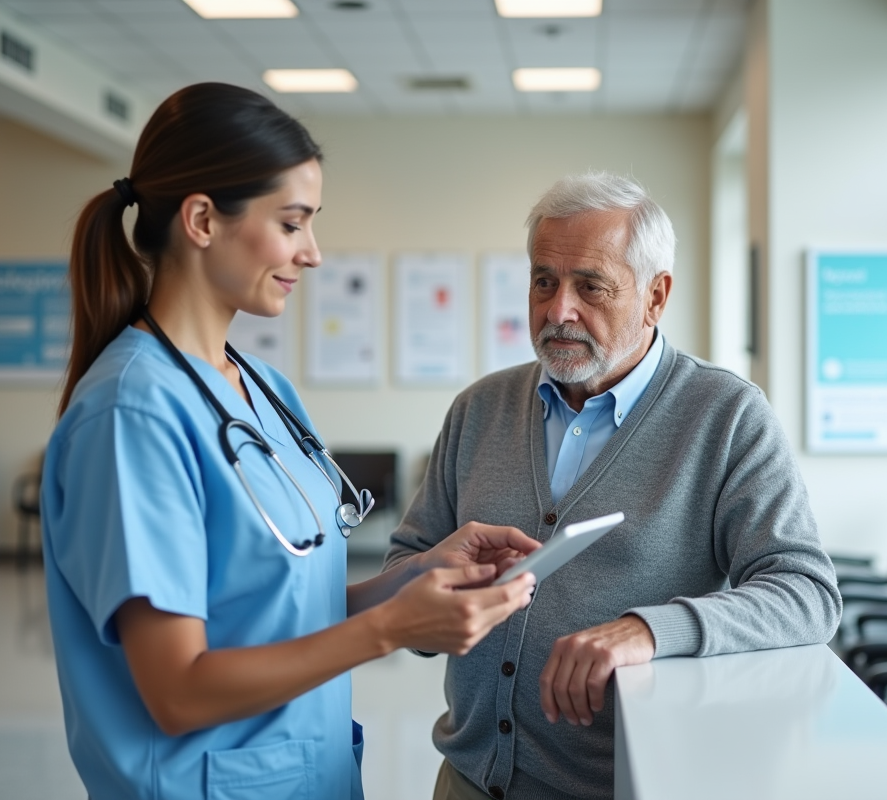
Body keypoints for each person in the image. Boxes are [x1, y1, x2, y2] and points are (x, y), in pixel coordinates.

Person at [40, 82, 539, 800]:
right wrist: (392, 629)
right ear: (203, 220)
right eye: (293, 223)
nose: (313, 254)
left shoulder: (264, 388)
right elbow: (177, 690)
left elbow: (271, 610)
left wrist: (408, 580)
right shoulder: (132, 414)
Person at [385, 172, 843, 800]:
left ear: (656, 296)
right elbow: (406, 564)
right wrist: (440, 594)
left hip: (622, 784)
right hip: (466, 778)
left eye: (590, 286)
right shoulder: (479, 409)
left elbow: (806, 593)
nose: (558, 310)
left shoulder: (726, 415)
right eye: (543, 281)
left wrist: (649, 631)